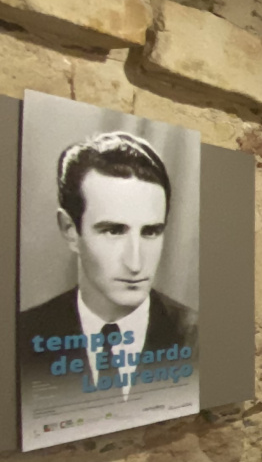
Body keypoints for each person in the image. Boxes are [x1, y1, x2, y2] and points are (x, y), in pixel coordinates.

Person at [19, 132, 196, 402]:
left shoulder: (197, 337)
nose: (135, 264)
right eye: (113, 231)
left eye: (150, 232)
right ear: (69, 230)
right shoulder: (23, 334)